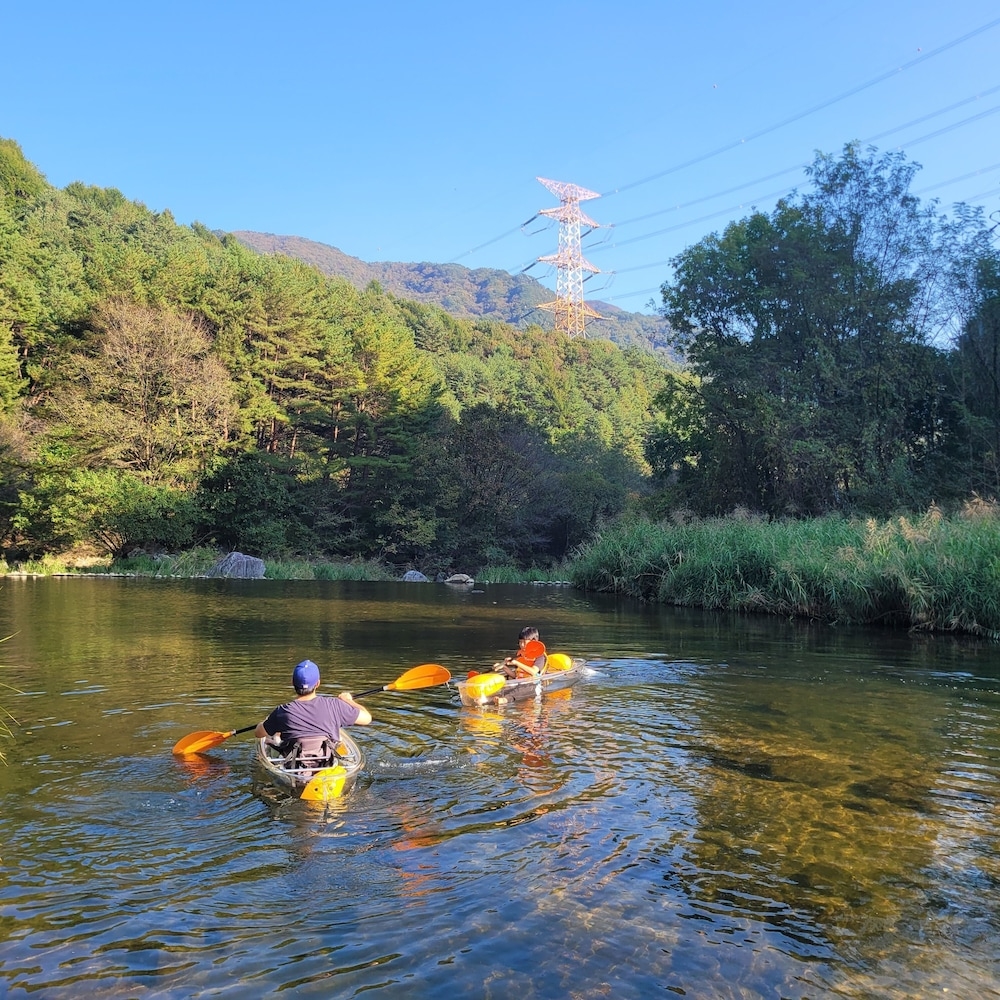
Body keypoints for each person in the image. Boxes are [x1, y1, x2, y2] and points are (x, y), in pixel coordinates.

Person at [255, 659, 372, 766]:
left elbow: (258, 733)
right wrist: (348, 700)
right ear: (318, 683)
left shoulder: (282, 712)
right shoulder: (335, 705)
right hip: (326, 765)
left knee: (276, 737)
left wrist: (267, 722)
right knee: (338, 738)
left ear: (292, 682)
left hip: (295, 769)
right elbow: (367, 718)